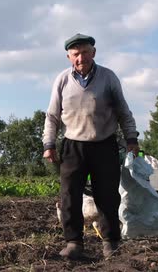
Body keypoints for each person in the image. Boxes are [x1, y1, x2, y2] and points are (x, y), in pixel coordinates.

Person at [42, 33, 139, 259]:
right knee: (69, 196)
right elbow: (52, 116)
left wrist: (131, 139)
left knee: (107, 196)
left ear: (93, 53)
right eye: (76, 54)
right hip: (73, 146)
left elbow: (124, 112)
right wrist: (49, 143)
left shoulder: (108, 78)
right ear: (69, 57)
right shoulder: (63, 80)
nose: (81, 58)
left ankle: (111, 243)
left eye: (85, 52)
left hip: (104, 144)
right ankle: (74, 242)